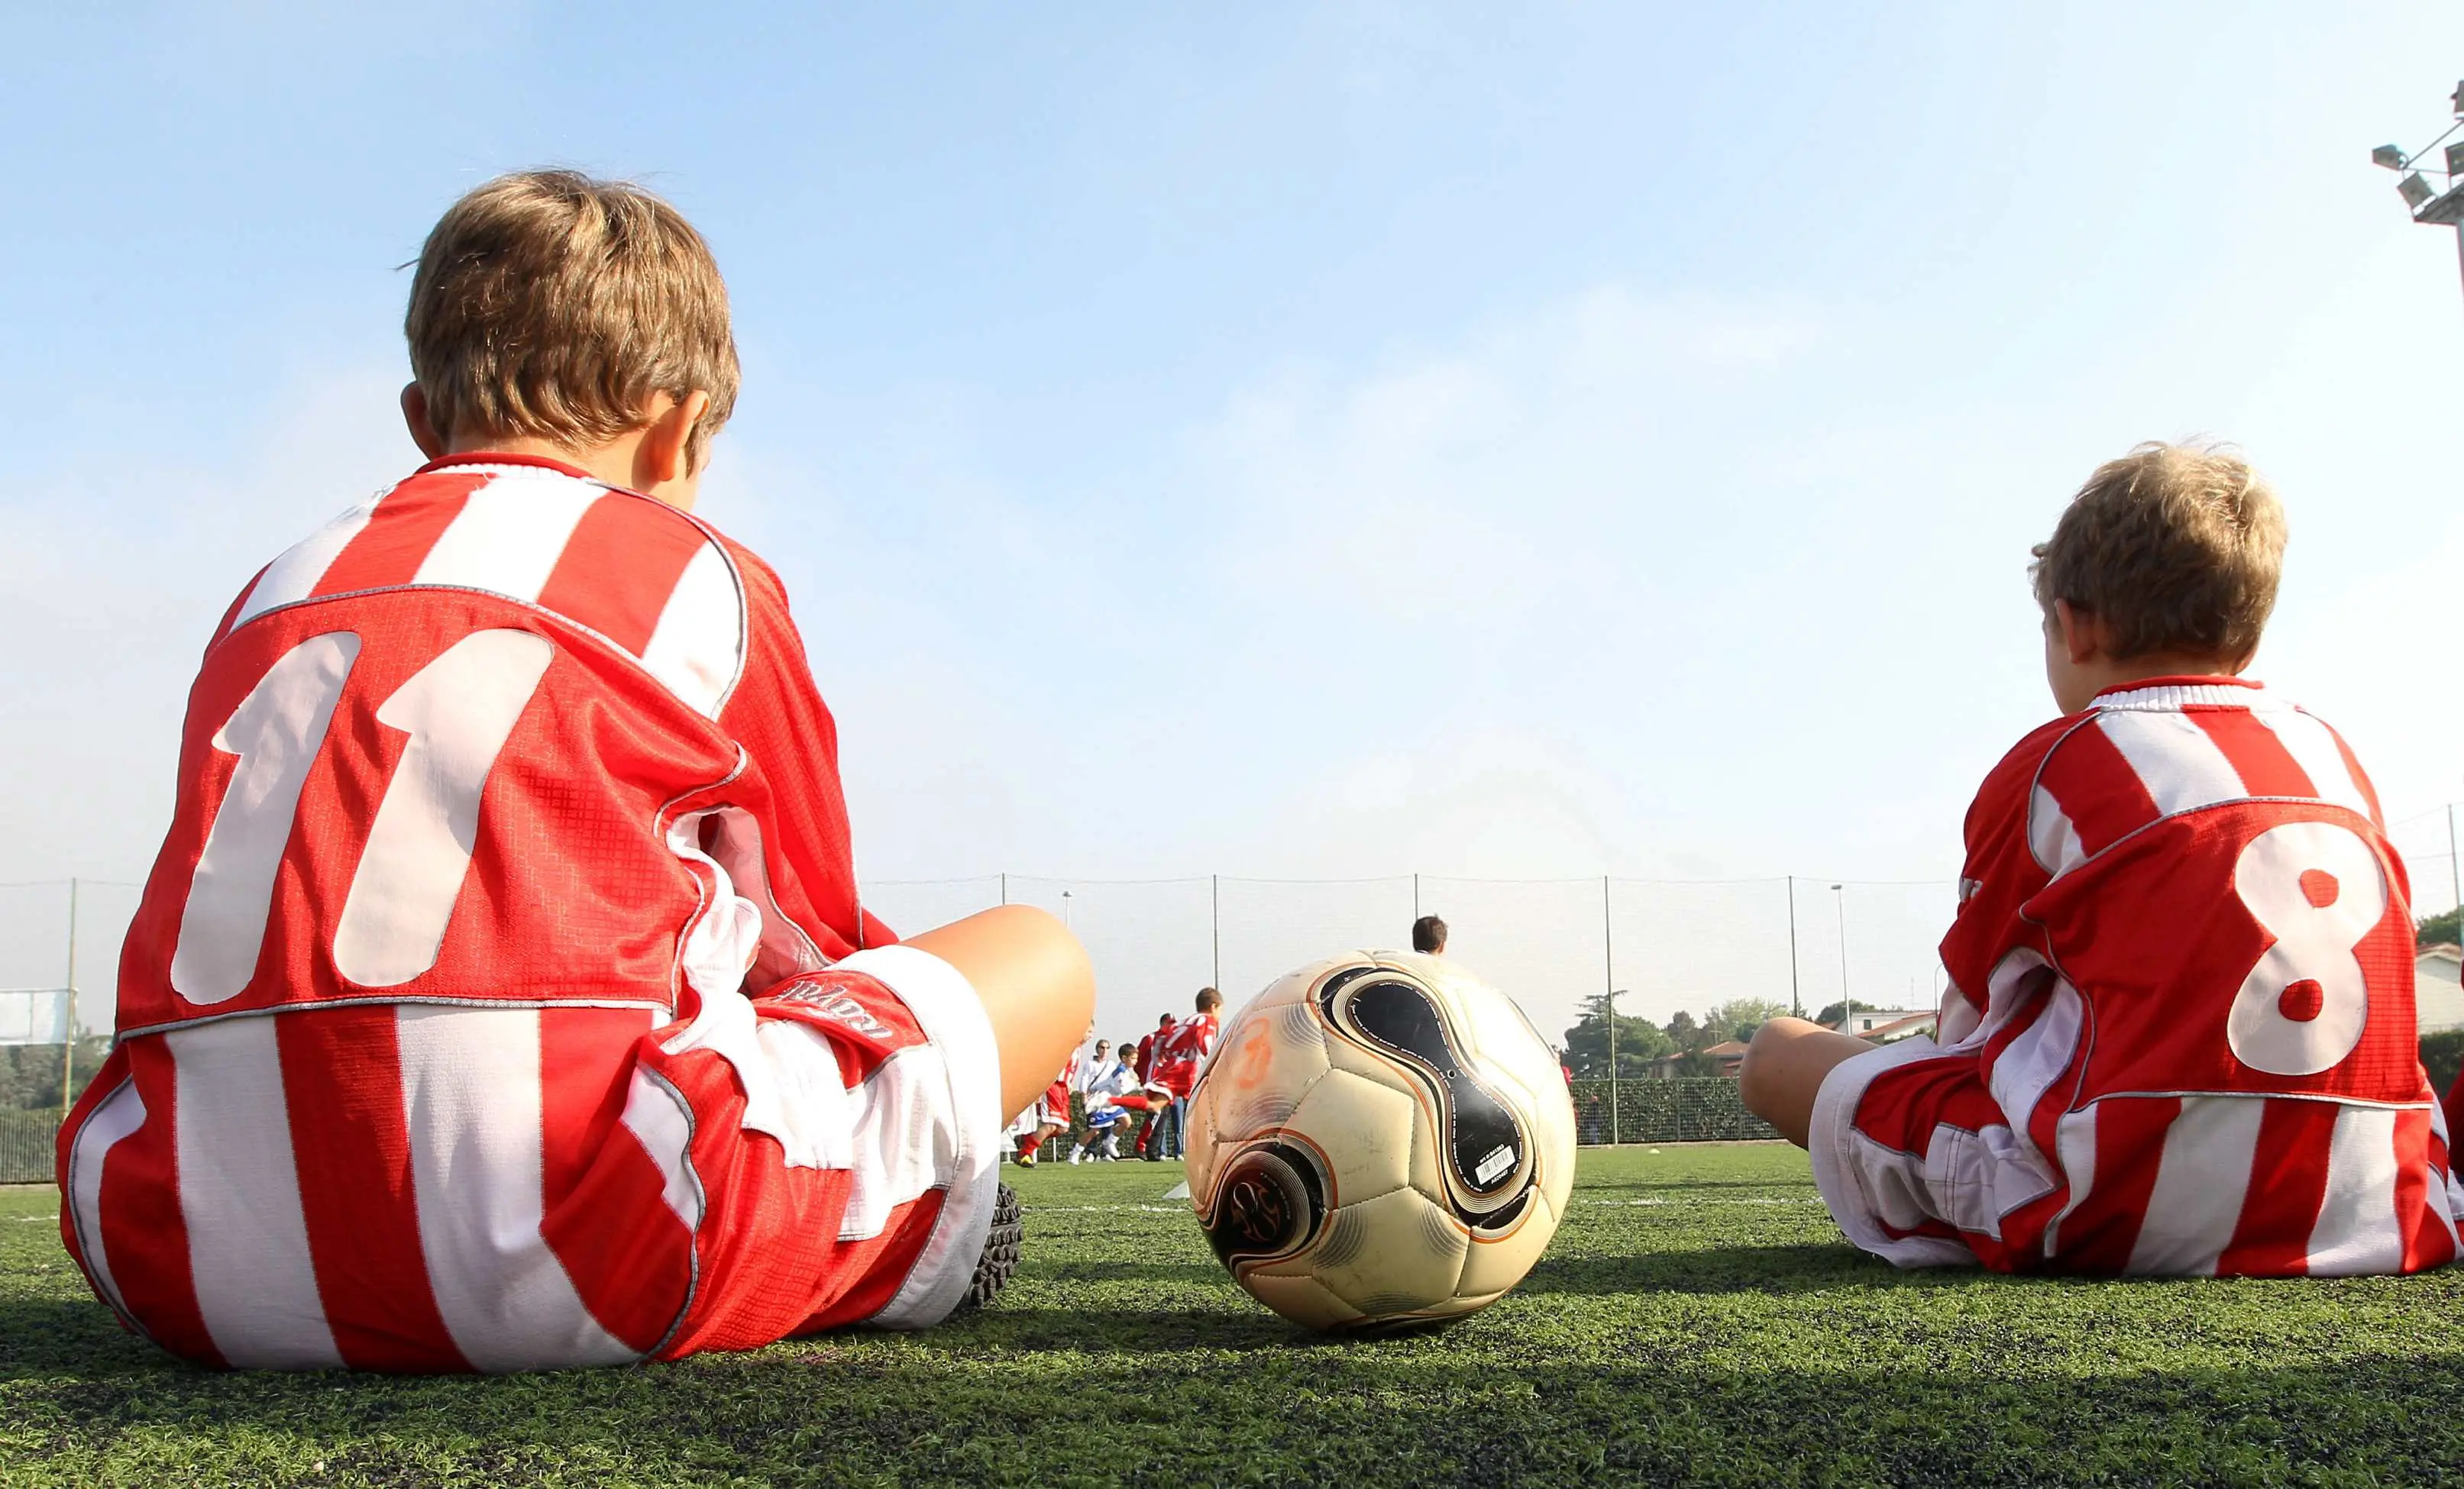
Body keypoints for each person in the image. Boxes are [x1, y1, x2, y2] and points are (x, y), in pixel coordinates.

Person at [53, 171, 1095, 1372]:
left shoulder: (266, 593)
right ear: (677, 428)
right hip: (588, 1248)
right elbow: (805, 941)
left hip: (168, 1255)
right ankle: (910, 1221)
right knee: (1036, 957)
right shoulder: (698, 572)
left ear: (418, 420)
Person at [1740, 442, 2464, 1277]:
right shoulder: (2335, 760)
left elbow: (1972, 1021)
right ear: (2247, 634)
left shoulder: (2061, 760)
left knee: (1779, 1055)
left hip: (2113, 1213)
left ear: (2074, 626)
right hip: (2383, 1207)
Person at [1146, 987, 1224, 1162]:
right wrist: (1215, 1064)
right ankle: (1206, 1150)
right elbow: (1206, 1045)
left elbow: (1162, 1042)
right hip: (1188, 1072)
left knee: (1187, 1111)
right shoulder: (1208, 1020)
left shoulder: (1186, 1021)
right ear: (1213, 1007)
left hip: (1172, 1068)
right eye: (1220, 1010)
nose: (1220, 1015)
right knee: (1209, 1108)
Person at [1015, 1035, 1087, 1168]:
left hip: (1064, 1088)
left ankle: (1025, 1140)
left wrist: (1069, 1083)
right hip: (1054, 1085)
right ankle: (1025, 1153)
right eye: (1088, 1031)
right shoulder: (1064, 1042)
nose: (1089, 1035)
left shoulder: (1078, 1047)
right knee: (1051, 1125)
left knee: (1063, 1128)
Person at [1130, 1012, 1175, 1157]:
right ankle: (1140, 1146)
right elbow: (1138, 1060)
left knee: (1161, 1119)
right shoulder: (1150, 1039)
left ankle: (1152, 1150)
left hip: (1166, 1086)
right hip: (1152, 1084)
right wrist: (1143, 1079)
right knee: (1155, 1114)